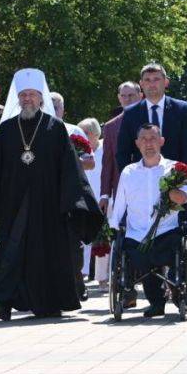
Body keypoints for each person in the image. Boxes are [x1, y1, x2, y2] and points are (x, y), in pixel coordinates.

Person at [0, 69, 104, 320]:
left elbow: (69, 167)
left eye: (32, 95)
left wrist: (74, 202)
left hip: (48, 205)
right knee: (13, 250)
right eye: (23, 96)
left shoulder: (54, 127)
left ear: (41, 98)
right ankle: (4, 299)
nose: (27, 100)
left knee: (45, 254)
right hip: (13, 203)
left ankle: (44, 300)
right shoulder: (6, 129)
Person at [109, 123, 187, 317]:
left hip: (166, 232)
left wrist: (173, 193)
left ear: (161, 141)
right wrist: (113, 227)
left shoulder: (175, 169)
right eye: (144, 139)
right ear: (137, 143)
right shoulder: (129, 172)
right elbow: (120, 204)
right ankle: (156, 303)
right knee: (138, 257)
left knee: (175, 251)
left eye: (153, 138)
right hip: (136, 235)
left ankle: (179, 295)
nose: (149, 143)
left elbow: (185, 197)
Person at [116, 63, 187, 172]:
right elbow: (122, 152)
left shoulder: (182, 109)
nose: (152, 84)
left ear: (166, 82)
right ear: (141, 84)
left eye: (156, 79)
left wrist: (180, 179)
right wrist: (132, 179)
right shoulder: (131, 113)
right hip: (141, 180)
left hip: (176, 178)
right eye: (147, 80)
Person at [99, 81, 142, 214]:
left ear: (140, 96)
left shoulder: (150, 119)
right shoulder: (110, 126)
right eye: (124, 96)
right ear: (119, 98)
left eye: (131, 95)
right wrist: (105, 195)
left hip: (148, 184)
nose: (127, 99)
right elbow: (107, 162)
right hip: (122, 187)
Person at [79, 118, 105, 285]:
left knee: (104, 238)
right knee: (83, 237)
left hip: (103, 198)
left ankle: (103, 278)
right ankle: (81, 274)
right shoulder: (79, 150)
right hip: (84, 198)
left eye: (86, 132)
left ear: (96, 133)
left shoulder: (106, 147)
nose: (83, 136)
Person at [51, 92, 94, 171]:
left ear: (62, 109)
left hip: (68, 181)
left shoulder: (75, 131)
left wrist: (70, 161)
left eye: (55, 108)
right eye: (49, 108)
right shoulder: (34, 131)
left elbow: (91, 164)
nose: (52, 112)